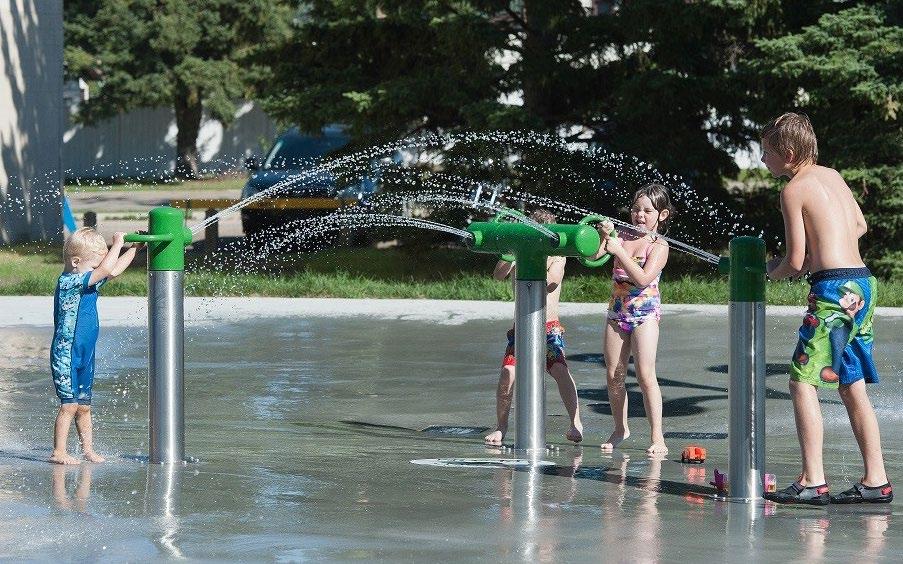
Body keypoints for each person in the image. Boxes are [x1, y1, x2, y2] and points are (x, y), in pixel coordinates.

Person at [758, 112, 891, 505]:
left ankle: (813, 480)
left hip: (833, 290)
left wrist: (769, 271)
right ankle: (875, 480)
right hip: (863, 284)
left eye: (766, 153)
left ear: (788, 152)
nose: (763, 160)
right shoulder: (832, 175)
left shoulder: (793, 189)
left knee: (802, 381)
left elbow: (795, 261)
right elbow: (861, 226)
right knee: (851, 385)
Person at [484, 210, 584, 446]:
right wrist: (511, 254)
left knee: (560, 371)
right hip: (522, 327)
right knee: (508, 374)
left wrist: (537, 257)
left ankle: (575, 421)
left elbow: (551, 283)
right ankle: (501, 426)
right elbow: (498, 275)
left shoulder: (558, 257)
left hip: (549, 328)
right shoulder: (517, 252)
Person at [49, 228, 142, 464]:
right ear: (76, 262)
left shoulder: (87, 280)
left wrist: (134, 249)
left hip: (85, 355)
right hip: (66, 355)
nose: (98, 273)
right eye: (94, 268)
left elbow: (113, 270)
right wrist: (117, 243)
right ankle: (58, 451)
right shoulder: (70, 281)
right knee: (69, 405)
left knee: (84, 406)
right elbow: (106, 269)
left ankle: (87, 450)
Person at [598, 184, 673, 456]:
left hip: (644, 314)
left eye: (647, 211)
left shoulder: (659, 245)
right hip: (617, 310)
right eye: (635, 209)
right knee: (614, 373)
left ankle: (657, 436)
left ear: (661, 215)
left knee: (645, 375)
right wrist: (603, 237)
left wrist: (619, 251)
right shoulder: (622, 236)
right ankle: (620, 428)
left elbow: (642, 279)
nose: (640, 215)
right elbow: (593, 257)